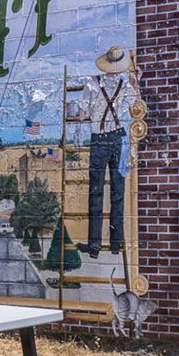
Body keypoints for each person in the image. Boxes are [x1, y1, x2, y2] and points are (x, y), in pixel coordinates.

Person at [79, 45, 142, 259]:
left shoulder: (91, 84)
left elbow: (82, 114)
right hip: (119, 139)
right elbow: (137, 105)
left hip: (99, 140)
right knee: (118, 193)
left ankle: (94, 246)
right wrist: (136, 81)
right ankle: (116, 244)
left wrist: (85, 111)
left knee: (96, 193)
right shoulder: (125, 85)